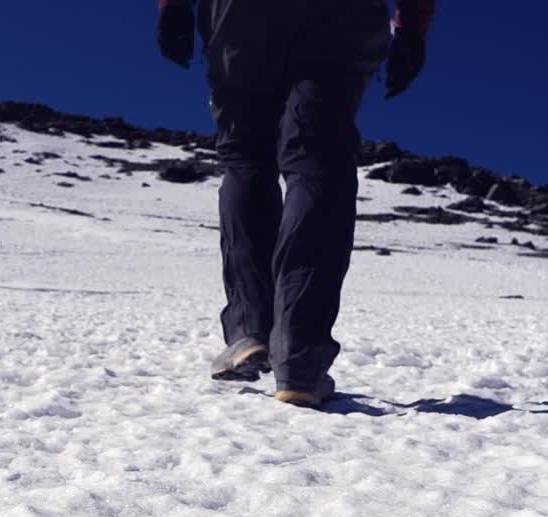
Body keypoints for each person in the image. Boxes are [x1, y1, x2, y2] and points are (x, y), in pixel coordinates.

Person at [157, 0, 435, 407]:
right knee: (317, 160)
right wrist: (411, 29)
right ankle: (299, 357)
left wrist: (173, 6)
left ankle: (250, 328)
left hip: (238, 18)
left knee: (246, 159)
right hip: (338, 20)